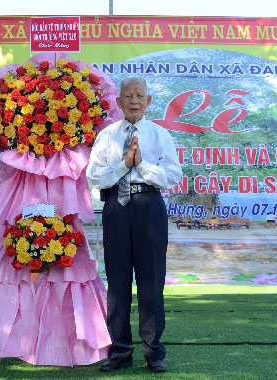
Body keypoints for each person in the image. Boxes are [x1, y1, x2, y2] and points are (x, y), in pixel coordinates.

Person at [86, 77, 182, 373]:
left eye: (140, 96)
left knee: (151, 281)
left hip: (148, 206)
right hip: (116, 206)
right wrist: (123, 165)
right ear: (119, 102)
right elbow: (94, 177)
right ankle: (120, 351)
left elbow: (173, 176)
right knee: (117, 282)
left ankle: (153, 352)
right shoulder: (107, 135)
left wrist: (142, 165)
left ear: (148, 101)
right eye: (128, 96)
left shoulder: (159, 135)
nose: (134, 101)